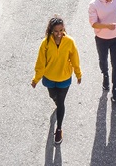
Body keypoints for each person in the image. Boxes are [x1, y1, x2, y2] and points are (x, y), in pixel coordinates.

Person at [31, 16, 82, 144]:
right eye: (56, 31)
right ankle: (56, 102)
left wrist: (78, 73)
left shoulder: (70, 42)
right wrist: (36, 79)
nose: (59, 34)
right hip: (49, 77)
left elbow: (75, 59)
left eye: (61, 30)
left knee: (61, 103)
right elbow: (40, 62)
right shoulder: (46, 43)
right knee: (52, 96)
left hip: (64, 78)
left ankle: (59, 129)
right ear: (51, 31)